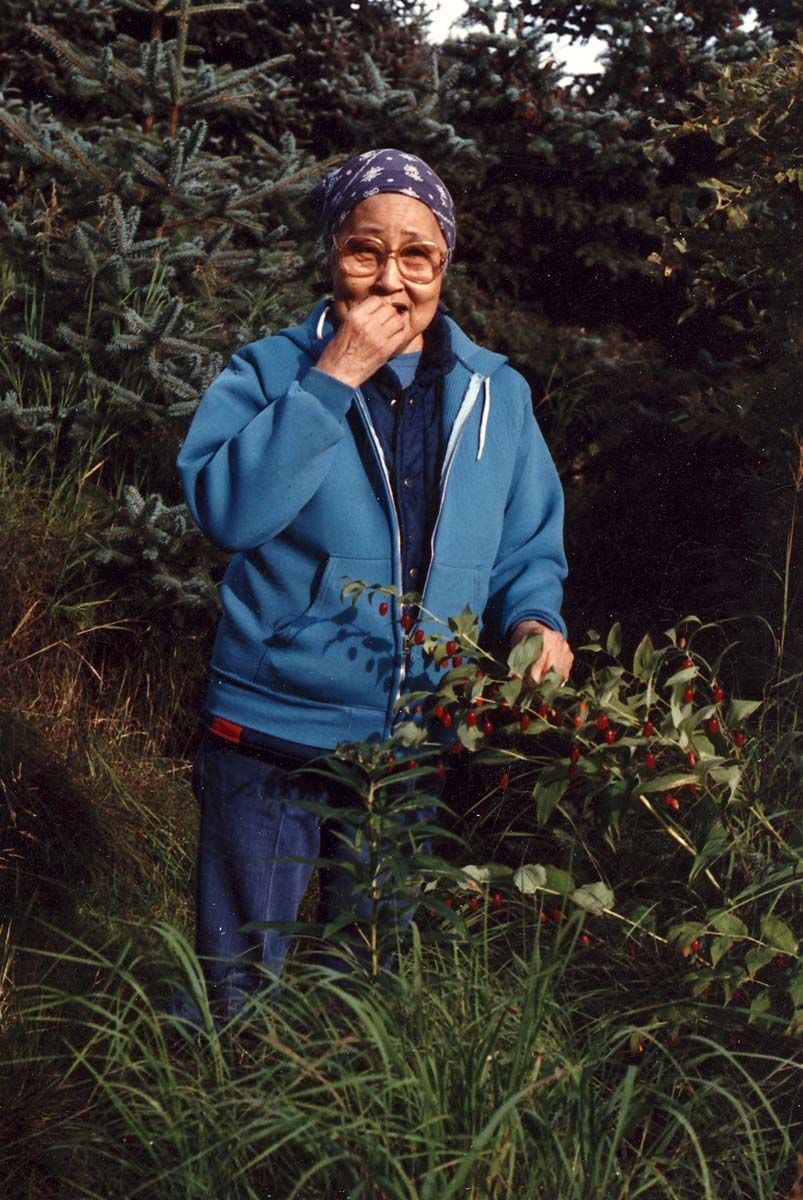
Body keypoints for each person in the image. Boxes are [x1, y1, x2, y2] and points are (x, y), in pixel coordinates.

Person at [176, 148, 573, 1016]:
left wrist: (534, 620)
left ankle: (341, 1141)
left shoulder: (494, 394)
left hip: (413, 740)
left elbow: (526, 542)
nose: (390, 278)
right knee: (236, 985)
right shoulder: (268, 372)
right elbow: (229, 513)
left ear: (444, 265)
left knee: (370, 994)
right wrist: (333, 378)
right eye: (365, 250)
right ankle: (213, 1125)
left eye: (416, 255)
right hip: (270, 727)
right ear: (331, 254)